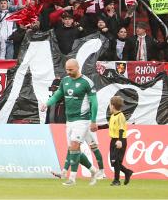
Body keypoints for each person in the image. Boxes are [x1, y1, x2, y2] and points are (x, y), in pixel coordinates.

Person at [40, 58, 105, 186]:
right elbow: (58, 95)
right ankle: (93, 170)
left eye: (71, 69)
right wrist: (47, 104)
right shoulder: (65, 81)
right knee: (73, 150)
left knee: (75, 146)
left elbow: (94, 102)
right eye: (67, 70)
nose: (68, 72)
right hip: (69, 121)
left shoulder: (86, 82)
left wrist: (93, 121)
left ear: (77, 67)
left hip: (82, 120)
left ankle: (72, 178)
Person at [107, 95, 132, 186]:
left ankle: (116, 180)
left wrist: (120, 140)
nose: (109, 106)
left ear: (113, 105)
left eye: (110, 105)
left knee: (115, 161)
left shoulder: (120, 116)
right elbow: (108, 125)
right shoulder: (113, 116)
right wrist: (98, 127)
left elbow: (121, 129)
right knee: (114, 162)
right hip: (113, 140)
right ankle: (127, 172)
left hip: (119, 140)